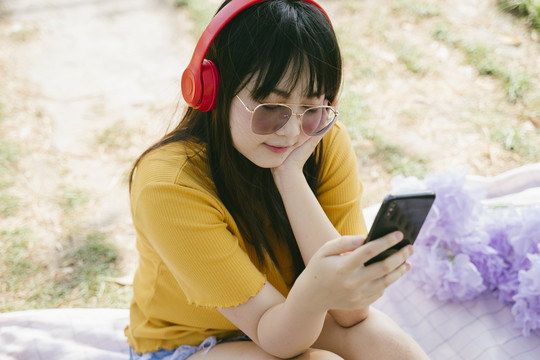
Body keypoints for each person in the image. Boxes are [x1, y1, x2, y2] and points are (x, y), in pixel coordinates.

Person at [125, 0, 429, 359]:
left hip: (290, 312)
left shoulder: (322, 140)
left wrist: (289, 176)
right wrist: (317, 292)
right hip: (192, 343)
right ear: (212, 88)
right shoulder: (168, 185)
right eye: (271, 108)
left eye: (312, 108)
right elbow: (277, 337)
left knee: (388, 346)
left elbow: (349, 314)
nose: (291, 132)